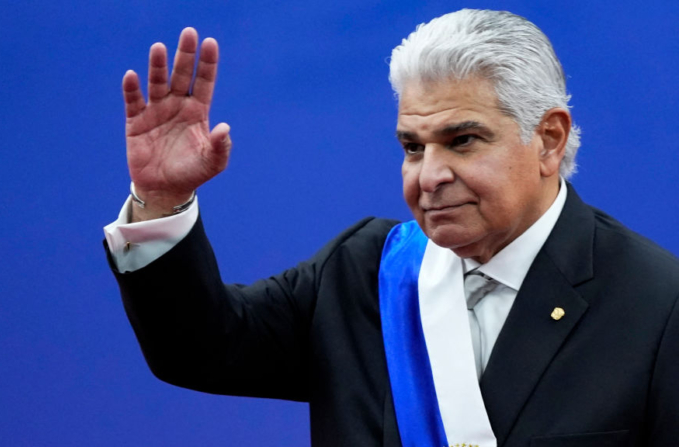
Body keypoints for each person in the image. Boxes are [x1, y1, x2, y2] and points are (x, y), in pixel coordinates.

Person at [103, 9, 679, 447]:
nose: (429, 177)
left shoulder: (658, 305)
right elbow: (200, 350)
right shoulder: (364, 271)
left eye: (462, 140)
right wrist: (162, 198)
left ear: (548, 139)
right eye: (412, 147)